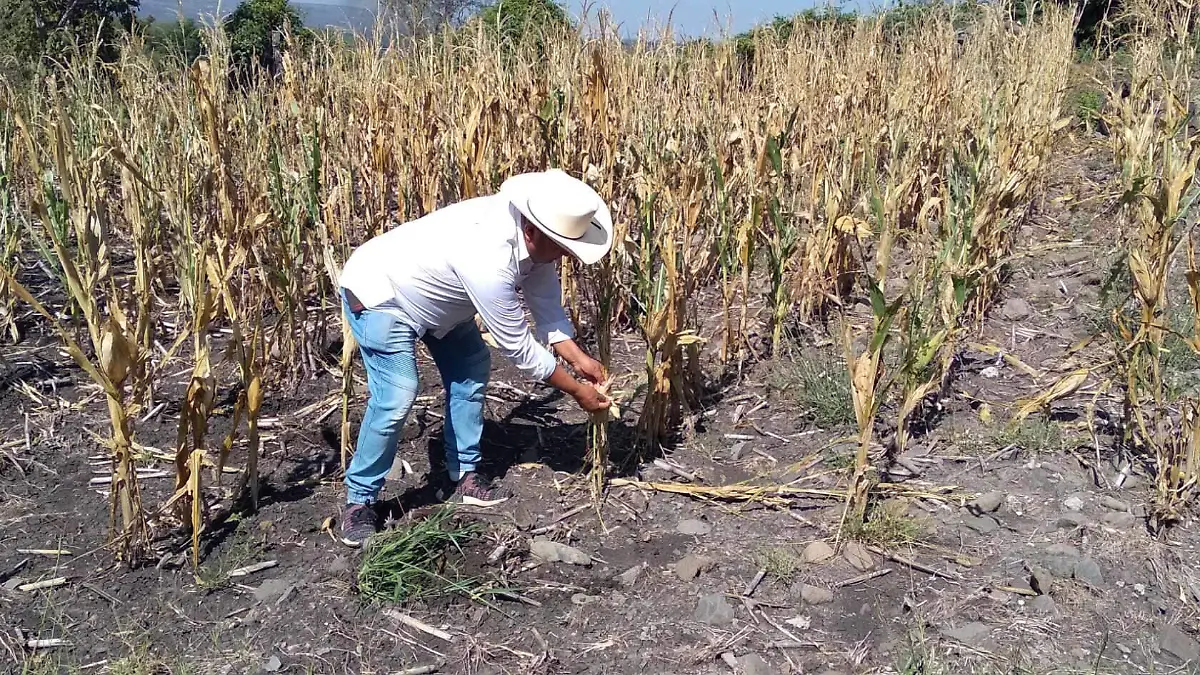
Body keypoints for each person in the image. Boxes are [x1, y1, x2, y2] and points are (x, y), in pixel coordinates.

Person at [335, 169, 614, 547]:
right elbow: (518, 347)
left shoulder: (538, 244)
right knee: (398, 395)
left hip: (440, 301)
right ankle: (359, 500)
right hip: (383, 295)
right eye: (563, 246)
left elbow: (548, 312)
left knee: (470, 369)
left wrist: (580, 360)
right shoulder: (488, 256)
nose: (567, 255)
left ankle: (464, 472)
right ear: (533, 231)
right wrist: (577, 390)